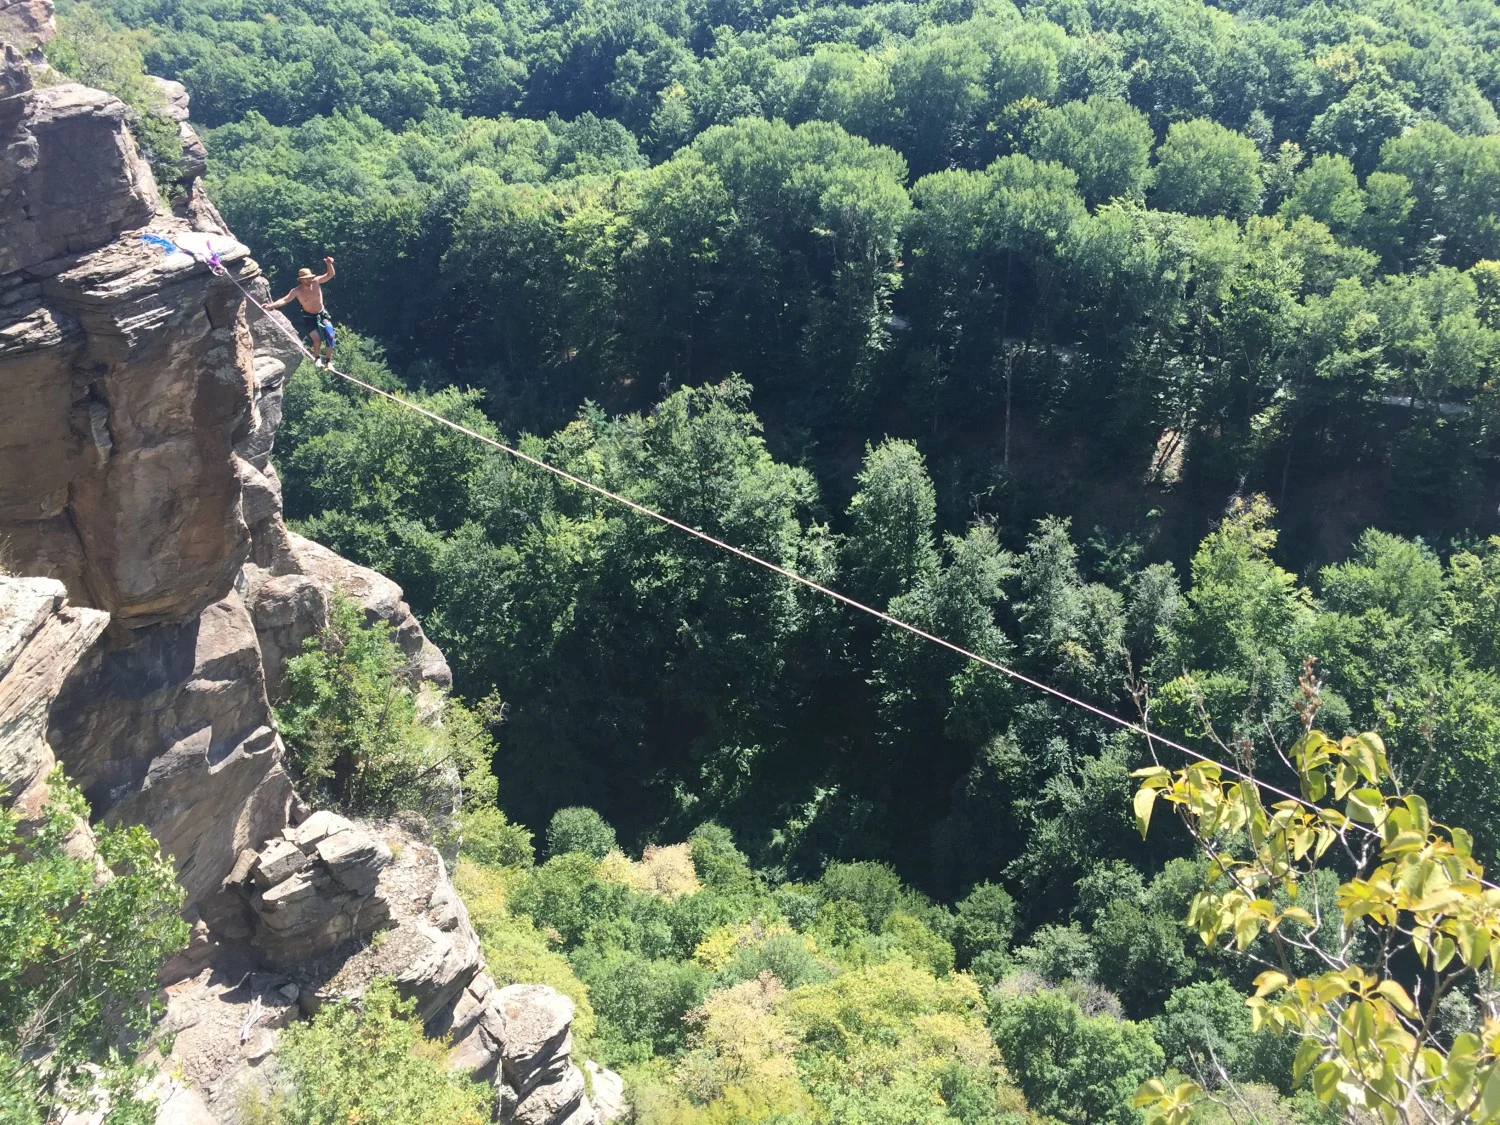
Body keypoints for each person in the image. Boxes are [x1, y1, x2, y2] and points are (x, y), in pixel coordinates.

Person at [263, 257, 337, 368]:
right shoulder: (297, 291)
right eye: (306, 279)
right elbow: (285, 300)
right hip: (309, 317)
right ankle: (317, 358)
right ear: (301, 280)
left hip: (321, 313)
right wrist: (270, 306)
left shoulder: (316, 282)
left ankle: (328, 361)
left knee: (330, 336)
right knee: (316, 340)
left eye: (310, 278)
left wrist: (329, 263)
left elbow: (330, 275)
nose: (309, 280)